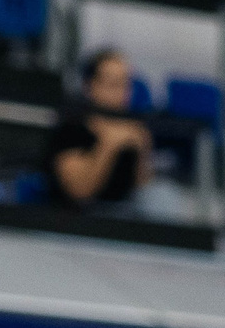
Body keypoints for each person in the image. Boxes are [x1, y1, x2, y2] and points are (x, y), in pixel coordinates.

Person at [45, 47, 152, 209]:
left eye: (126, 84)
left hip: (124, 216)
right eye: (113, 84)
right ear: (91, 85)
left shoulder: (133, 127)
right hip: (74, 217)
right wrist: (108, 146)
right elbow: (78, 192)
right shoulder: (71, 127)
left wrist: (143, 149)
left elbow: (141, 190)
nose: (121, 93)